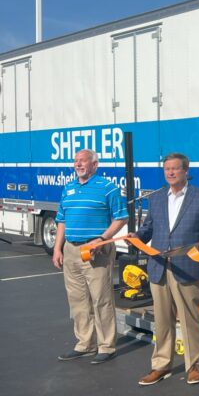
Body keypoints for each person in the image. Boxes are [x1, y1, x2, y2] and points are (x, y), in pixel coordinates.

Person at [133, 153, 199, 386]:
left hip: (188, 268)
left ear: (186, 171)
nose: (170, 173)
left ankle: (193, 365)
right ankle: (160, 365)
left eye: (175, 169)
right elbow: (149, 228)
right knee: (162, 320)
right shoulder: (157, 198)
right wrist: (137, 236)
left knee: (189, 319)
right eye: (167, 169)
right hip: (159, 267)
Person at [52, 148, 128, 365]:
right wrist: (58, 248)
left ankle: (107, 346)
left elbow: (121, 218)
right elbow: (62, 221)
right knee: (77, 300)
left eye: (83, 161)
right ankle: (85, 343)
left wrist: (101, 239)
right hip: (71, 250)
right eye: (76, 161)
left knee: (101, 299)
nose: (78, 165)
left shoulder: (108, 188)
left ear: (95, 164)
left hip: (96, 251)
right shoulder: (68, 188)